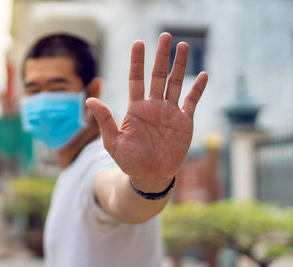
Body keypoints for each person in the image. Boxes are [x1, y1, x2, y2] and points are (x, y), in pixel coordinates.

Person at [19, 32, 208, 267]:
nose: (44, 101)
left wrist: (149, 183)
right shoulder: (72, 168)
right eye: (34, 90)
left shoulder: (101, 162)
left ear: (93, 91)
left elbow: (120, 198)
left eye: (57, 88)